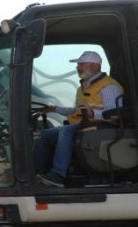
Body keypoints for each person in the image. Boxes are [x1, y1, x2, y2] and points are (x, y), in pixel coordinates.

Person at [35, 50, 123, 188]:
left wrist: (92, 113)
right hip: (84, 125)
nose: (77, 67)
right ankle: (36, 175)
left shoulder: (109, 86)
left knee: (66, 131)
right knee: (43, 135)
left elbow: (116, 113)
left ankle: (57, 176)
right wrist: (54, 109)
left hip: (103, 127)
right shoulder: (82, 88)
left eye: (81, 64)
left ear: (95, 67)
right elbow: (77, 111)